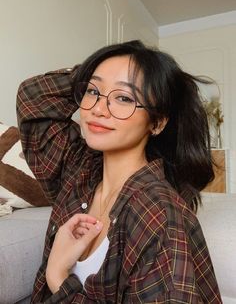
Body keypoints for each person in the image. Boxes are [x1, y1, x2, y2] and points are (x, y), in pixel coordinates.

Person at [17, 40, 222, 303]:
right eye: (92, 92)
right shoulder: (79, 169)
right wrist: (104, 69)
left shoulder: (159, 214)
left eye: (124, 98)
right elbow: (33, 96)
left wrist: (57, 277)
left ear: (157, 123)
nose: (98, 109)